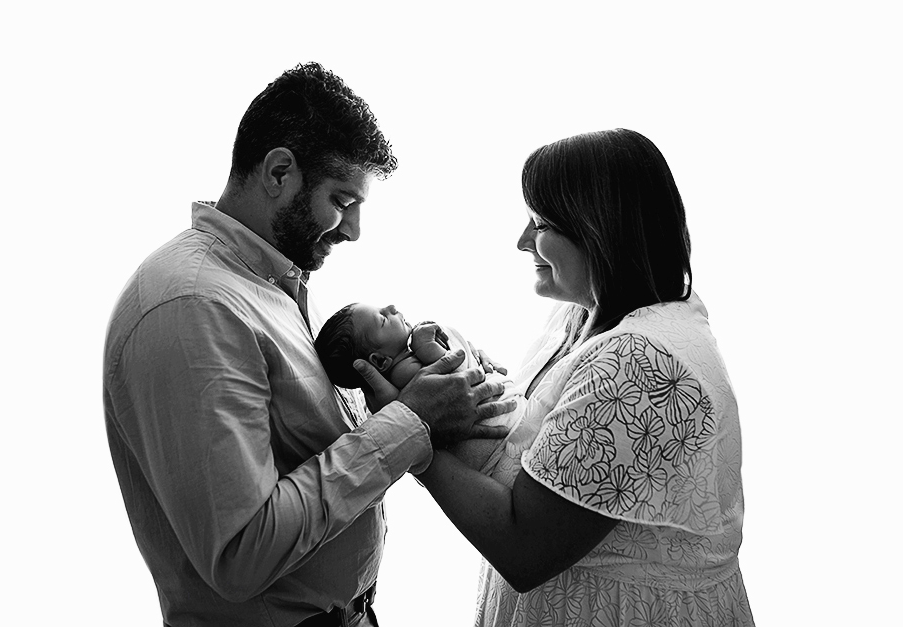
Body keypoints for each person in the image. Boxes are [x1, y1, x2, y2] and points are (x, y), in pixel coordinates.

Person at [101, 62, 511, 627]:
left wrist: (417, 398)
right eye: (343, 201)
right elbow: (242, 554)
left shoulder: (278, 288)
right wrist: (410, 424)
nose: (354, 230)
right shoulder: (194, 306)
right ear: (278, 171)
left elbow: (317, 450)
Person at [356, 129, 754, 626]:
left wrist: (415, 431)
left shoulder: (640, 362)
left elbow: (526, 548)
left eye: (540, 223)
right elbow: (546, 438)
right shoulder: (585, 315)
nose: (522, 242)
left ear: (600, 229)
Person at [315, 302, 526, 471]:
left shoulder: (406, 365)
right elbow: (455, 377)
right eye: (382, 319)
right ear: (380, 361)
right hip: (503, 442)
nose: (391, 307)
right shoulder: (404, 373)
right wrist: (426, 346)